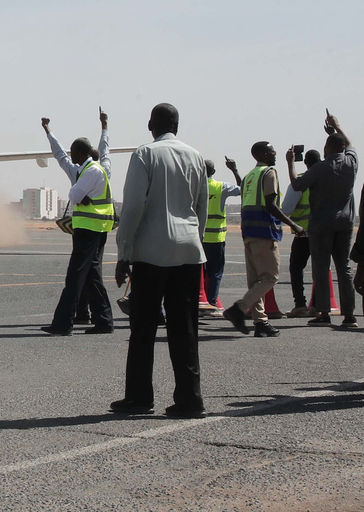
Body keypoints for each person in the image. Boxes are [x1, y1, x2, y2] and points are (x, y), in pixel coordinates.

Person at [110, 103, 208, 418]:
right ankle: (190, 399)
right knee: (185, 329)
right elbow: (201, 207)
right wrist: (195, 241)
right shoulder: (195, 156)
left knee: (143, 328)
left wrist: (124, 252)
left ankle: (139, 396)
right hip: (189, 252)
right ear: (176, 125)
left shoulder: (145, 155)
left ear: (151, 125)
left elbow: (134, 206)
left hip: (152, 253)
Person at [40, 109, 115, 336]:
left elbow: (73, 192)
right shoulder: (100, 168)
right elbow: (105, 150)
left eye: (74, 151)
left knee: (75, 276)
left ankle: (64, 323)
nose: (70, 155)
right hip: (94, 229)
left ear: (81, 153)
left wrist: (48, 131)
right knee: (91, 275)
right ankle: (103, 320)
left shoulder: (88, 172)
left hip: (89, 230)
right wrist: (104, 126)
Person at [223, 143, 305, 337]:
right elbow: (271, 204)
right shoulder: (269, 173)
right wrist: (294, 225)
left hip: (248, 232)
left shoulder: (251, 175)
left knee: (255, 280)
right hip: (264, 232)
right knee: (270, 277)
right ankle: (239, 309)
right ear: (262, 154)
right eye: (271, 151)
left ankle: (260, 322)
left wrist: (235, 170)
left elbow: (244, 191)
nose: (274, 154)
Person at [288, 111, 358, 328]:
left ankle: (324, 313)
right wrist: (337, 126)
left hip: (321, 224)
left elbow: (297, 185)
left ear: (327, 148)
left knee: (321, 267)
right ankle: (349, 315)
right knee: (344, 269)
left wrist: (290, 163)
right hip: (345, 223)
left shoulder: (319, 168)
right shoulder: (351, 163)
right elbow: (349, 143)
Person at [280, 149, 321, 317]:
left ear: (305, 163)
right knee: (320, 269)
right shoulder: (328, 178)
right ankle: (318, 306)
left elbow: (287, 209)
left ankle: (300, 304)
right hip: (324, 232)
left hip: (304, 233)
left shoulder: (300, 181)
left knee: (296, 268)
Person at [201, 158, 242, 317]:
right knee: (215, 272)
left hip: (199, 238)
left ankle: (201, 301)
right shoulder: (220, 187)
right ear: (213, 172)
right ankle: (211, 303)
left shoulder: (193, 186)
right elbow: (241, 189)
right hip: (216, 238)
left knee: (200, 273)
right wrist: (234, 170)